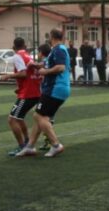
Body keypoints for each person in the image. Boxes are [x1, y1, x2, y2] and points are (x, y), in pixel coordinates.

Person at [15, 29, 70, 158]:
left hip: (55, 88)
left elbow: (60, 67)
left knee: (38, 116)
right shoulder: (55, 50)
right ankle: (30, 147)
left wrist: (45, 72)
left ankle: (56, 145)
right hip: (56, 88)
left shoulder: (59, 49)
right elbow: (48, 64)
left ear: (52, 37)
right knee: (41, 117)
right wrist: (37, 66)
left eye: (49, 36)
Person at [1, 37, 42, 156]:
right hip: (33, 91)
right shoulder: (28, 55)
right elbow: (29, 74)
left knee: (12, 119)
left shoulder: (17, 56)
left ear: (13, 47)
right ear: (24, 45)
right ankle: (28, 142)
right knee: (19, 118)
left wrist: (7, 76)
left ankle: (22, 147)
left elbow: (23, 73)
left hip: (28, 94)